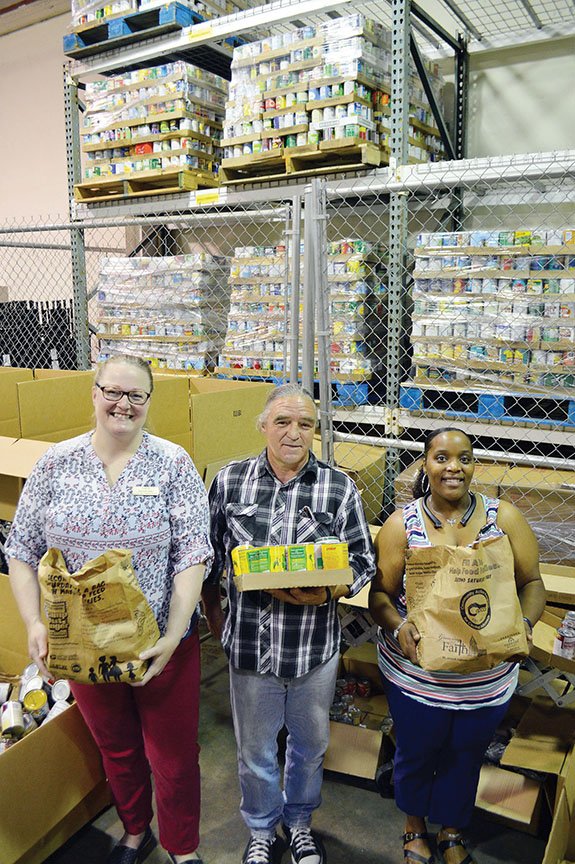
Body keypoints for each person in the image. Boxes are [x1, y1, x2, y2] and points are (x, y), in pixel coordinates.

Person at [6, 355, 213, 864]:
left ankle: (183, 849)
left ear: (148, 402)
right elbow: (21, 549)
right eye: (113, 391)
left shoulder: (172, 462)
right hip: (82, 649)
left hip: (159, 646)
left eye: (136, 395)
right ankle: (136, 830)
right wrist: (34, 623)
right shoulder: (56, 462)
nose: (124, 403)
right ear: (94, 393)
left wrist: (175, 632)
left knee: (174, 756)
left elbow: (192, 552)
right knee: (117, 748)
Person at [201, 383, 375, 864]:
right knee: (255, 750)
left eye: (304, 424)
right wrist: (214, 614)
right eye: (282, 422)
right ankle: (260, 828)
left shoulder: (338, 487)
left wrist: (329, 590)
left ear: (315, 430)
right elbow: (208, 557)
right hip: (250, 647)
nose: (293, 433)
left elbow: (362, 560)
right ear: (262, 426)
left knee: (309, 746)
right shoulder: (230, 480)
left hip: (313, 648)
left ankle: (299, 824)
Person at [369, 427, 546, 864]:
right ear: (425, 464)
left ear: (474, 464)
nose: (453, 467)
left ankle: (450, 831)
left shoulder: (502, 519)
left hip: (485, 680)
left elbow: (533, 583)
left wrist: (523, 623)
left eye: (464, 458)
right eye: (442, 458)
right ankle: (413, 828)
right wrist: (397, 627)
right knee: (416, 751)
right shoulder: (401, 526)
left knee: (465, 756)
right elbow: (379, 596)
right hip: (418, 677)